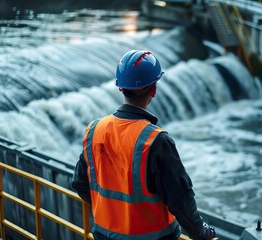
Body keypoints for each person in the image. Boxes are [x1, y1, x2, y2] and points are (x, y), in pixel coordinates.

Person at [71, 50, 216, 240]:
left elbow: (80, 183)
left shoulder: (94, 131)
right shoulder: (156, 140)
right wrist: (200, 232)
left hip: (105, 235)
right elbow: (180, 199)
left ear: (121, 88)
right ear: (154, 90)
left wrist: (114, 215)